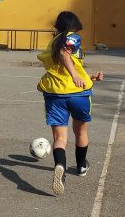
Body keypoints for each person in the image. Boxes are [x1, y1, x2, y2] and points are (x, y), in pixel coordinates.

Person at [37, 11, 104, 196]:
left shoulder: (53, 41)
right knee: (81, 131)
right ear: (72, 27)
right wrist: (76, 77)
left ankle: (60, 166)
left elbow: (66, 64)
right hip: (78, 94)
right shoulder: (71, 37)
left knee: (60, 138)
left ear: (56, 26)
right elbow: (65, 55)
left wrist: (87, 76)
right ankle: (81, 166)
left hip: (56, 93)